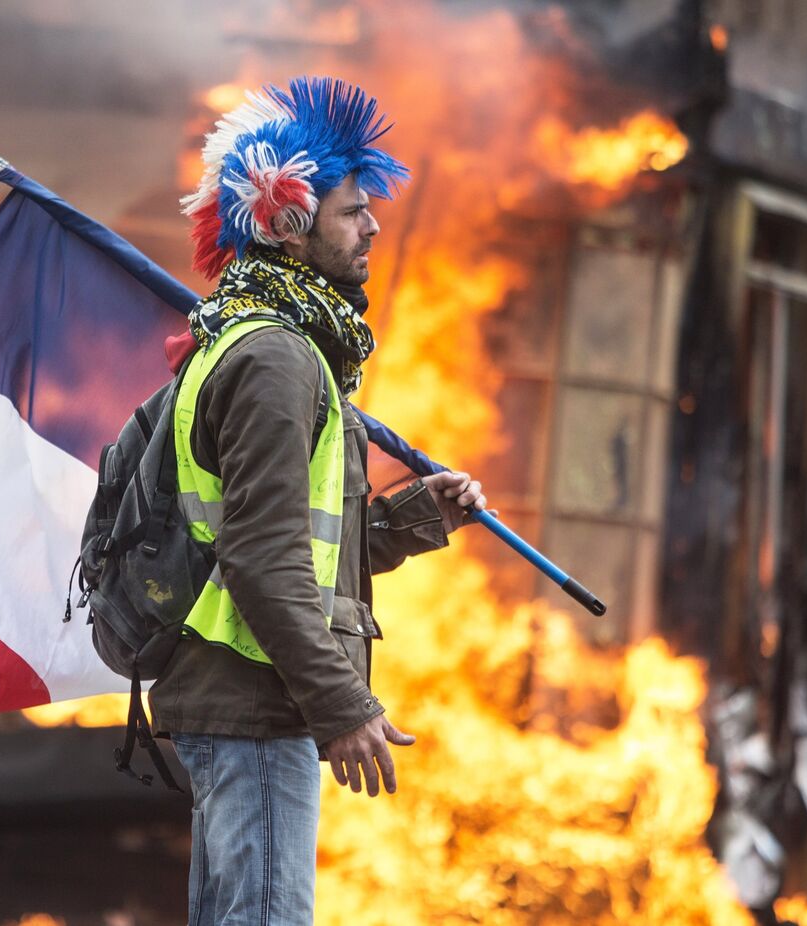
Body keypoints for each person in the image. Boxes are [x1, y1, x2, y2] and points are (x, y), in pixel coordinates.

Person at [149, 76, 489, 926]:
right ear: (289, 225)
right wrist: (344, 708)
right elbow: (263, 565)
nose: (373, 225)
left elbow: (294, 542)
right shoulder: (276, 362)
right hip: (260, 707)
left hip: (255, 702)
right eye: (351, 210)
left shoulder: (283, 348)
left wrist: (415, 520)